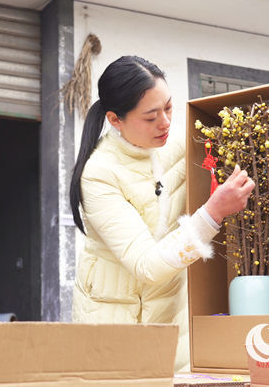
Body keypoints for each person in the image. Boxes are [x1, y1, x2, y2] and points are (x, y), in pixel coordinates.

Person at [70, 56, 254, 371]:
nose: (166, 123)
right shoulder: (100, 174)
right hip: (114, 338)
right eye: (151, 116)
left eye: (168, 108)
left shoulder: (175, 144)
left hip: (173, 328)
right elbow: (147, 265)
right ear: (116, 119)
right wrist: (212, 213)